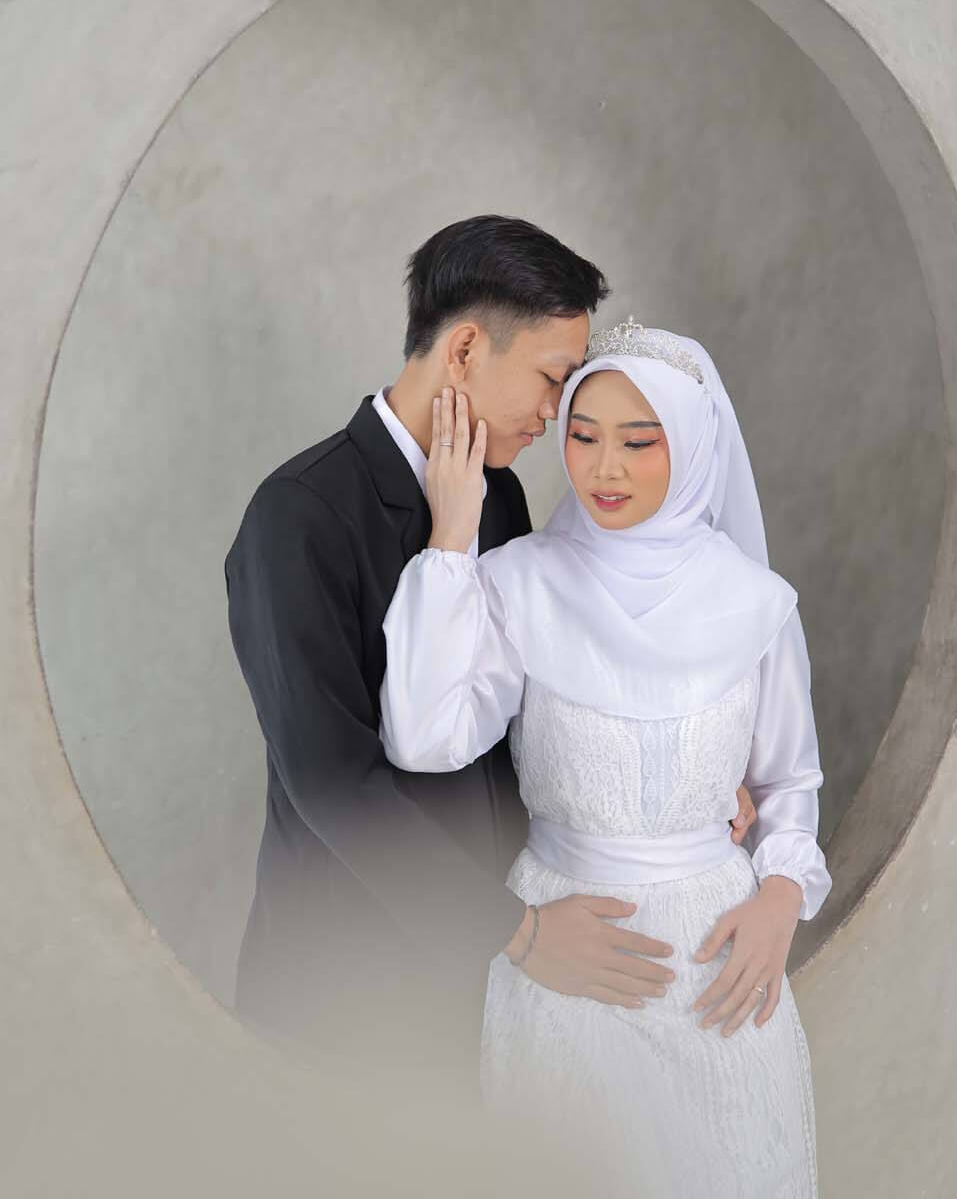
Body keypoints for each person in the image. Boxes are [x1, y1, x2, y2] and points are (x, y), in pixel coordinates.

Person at [224, 219, 761, 1078]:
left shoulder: (500, 497)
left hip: (487, 985)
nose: (557, 414)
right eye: (551, 379)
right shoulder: (298, 514)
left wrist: (682, 770)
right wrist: (520, 933)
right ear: (466, 349)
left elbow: (536, 702)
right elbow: (331, 781)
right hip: (345, 985)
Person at [380, 316, 833, 1196]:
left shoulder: (756, 604)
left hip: (718, 964)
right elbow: (427, 740)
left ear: (691, 447)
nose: (603, 469)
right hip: (563, 949)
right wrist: (450, 541)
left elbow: (788, 779)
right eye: (583, 437)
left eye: (638, 441)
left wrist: (782, 895)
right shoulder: (517, 581)